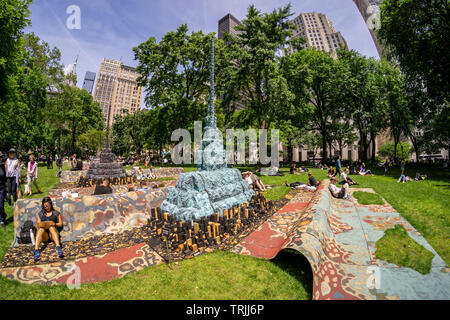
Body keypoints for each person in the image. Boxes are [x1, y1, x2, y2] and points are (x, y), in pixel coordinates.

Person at [34, 197, 64, 262]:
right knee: (41, 229)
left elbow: (61, 224)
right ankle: (36, 250)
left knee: (51, 227)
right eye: (45, 206)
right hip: (45, 236)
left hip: (53, 235)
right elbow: (38, 225)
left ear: (50, 205)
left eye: (47, 205)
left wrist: (53, 224)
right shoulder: (41, 214)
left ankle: (58, 247)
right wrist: (42, 225)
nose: (46, 207)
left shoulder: (56, 213)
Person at [0, 152, 7, 228]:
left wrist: (7, 187)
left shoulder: (3, 166)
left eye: (0, 157)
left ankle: (2, 220)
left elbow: (5, 177)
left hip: (2, 188)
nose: (0, 158)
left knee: (1, 204)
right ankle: (3, 215)